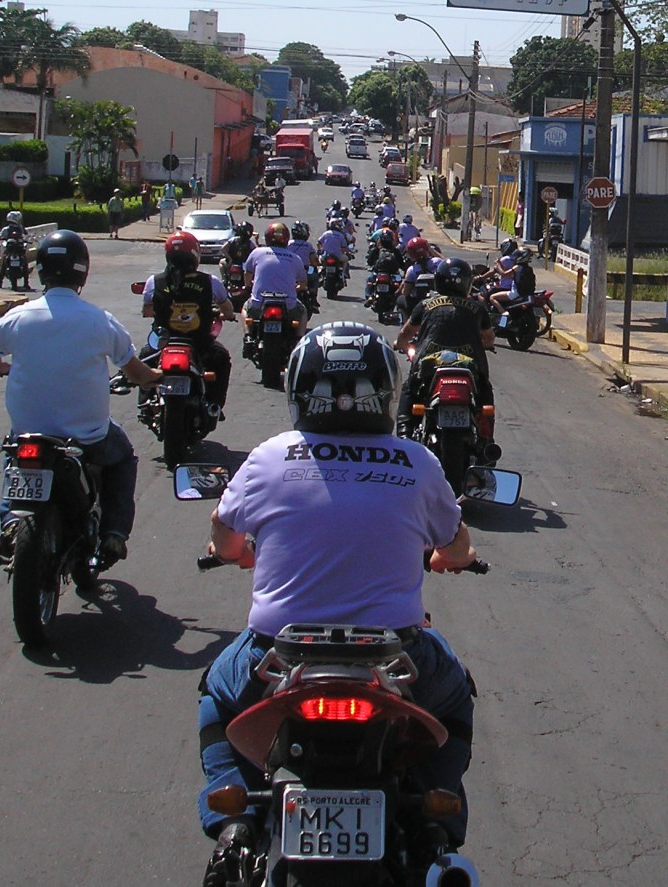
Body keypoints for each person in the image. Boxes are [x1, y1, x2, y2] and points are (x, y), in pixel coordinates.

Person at [197, 321, 480, 885]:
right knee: (455, 700)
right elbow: (456, 546)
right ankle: (435, 820)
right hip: (396, 659)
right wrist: (449, 558)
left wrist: (238, 553)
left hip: (276, 658)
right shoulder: (417, 462)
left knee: (217, 696)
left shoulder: (269, 457)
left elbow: (224, 537)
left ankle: (236, 823)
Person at [0, 229, 163, 564]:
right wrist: (154, 377)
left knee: (14, 454)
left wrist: (4, 368)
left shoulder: (17, 317)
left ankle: (10, 524)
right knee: (123, 458)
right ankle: (114, 533)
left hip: (28, 432)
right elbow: (135, 372)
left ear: (40, 270)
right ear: (83, 271)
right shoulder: (100, 321)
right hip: (87, 437)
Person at [393, 257, 496, 451]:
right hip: (470, 366)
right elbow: (489, 339)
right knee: (484, 393)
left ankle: (405, 433)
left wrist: (400, 345)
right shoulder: (477, 309)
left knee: (410, 389)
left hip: (430, 364)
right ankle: (486, 440)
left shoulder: (425, 305)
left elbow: (405, 335)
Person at [143, 231, 235, 417]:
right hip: (199, 343)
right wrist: (225, 315)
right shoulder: (210, 282)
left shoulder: (154, 281)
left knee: (145, 358)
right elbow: (227, 308)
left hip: (163, 343)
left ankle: (145, 404)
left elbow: (147, 311)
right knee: (222, 359)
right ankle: (214, 405)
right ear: (195, 254)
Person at [242, 222, 308, 353]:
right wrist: (295, 288)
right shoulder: (295, 258)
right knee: (303, 312)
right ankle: (298, 342)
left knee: (245, 308)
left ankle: (248, 336)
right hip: (288, 305)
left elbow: (247, 274)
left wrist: (249, 285)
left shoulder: (257, 252)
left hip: (259, 303)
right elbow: (303, 284)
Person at [287, 220, 320, 313]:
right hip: (305, 270)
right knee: (314, 275)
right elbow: (314, 261)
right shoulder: (308, 245)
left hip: (290, 270)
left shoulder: (288, 244)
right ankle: (313, 299)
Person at [0, 210, 33, 291]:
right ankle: (26, 283)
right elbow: (27, 235)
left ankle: (0, 282)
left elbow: (1, 237)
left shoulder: (6, 229)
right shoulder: (20, 228)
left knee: (4, 264)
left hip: (13, 250)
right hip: (16, 250)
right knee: (24, 263)